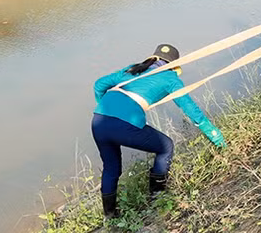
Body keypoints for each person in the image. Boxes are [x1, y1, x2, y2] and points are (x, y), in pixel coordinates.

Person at [91, 44, 226, 218]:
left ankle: (110, 215)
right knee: (165, 146)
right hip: (123, 124)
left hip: (98, 121)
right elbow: (191, 109)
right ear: (175, 65)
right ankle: (158, 197)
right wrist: (215, 136)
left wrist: (105, 106)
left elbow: (99, 84)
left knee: (111, 168)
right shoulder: (170, 78)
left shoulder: (134, 69)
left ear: (153, 58)